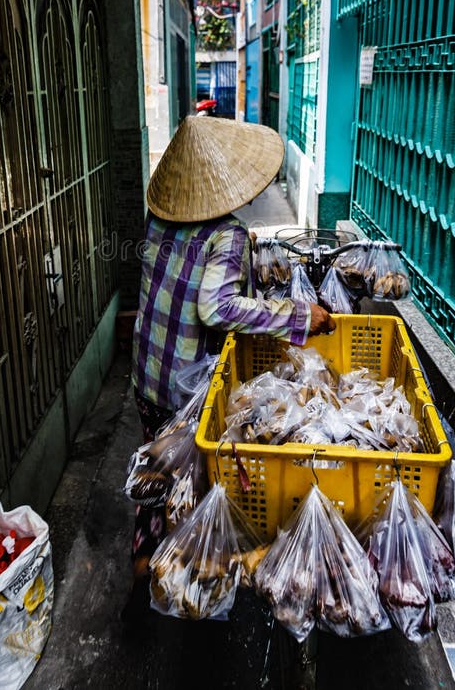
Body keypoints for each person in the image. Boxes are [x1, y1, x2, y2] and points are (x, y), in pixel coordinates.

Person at [124, 116, 335, 618]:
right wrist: (300, 315)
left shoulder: (158, 220)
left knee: (157, 472)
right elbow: (215, 309)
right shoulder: (228, 234)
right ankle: (187, 581)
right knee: (193, 484)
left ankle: (143, 561)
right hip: (187, 387)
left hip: (147, 373)